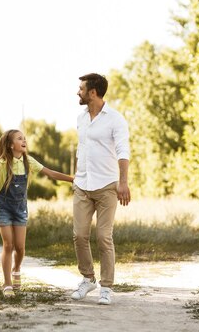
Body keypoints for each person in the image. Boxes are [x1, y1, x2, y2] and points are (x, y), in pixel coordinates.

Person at [0, 129, 73, 297]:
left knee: (20, 248)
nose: (24, 141)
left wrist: (73, 179)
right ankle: (7, 283)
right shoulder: (2, 161)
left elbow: (51, 173)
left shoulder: (29, 161)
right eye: (19, 138)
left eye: (24, 138)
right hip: (3, 208)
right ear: (10, 144)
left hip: (20, 209)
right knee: (8, 245)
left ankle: (16, 268)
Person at [70, 73, 130, 305]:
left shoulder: (115, 119)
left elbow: (123, 151)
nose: (78, 92)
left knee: (104, 237)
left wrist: (123, 182)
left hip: (107, 186)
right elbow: (80, 149)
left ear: (92, 92)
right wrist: (77, 176)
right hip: (83, 185)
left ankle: (106, 287)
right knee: (79, 235)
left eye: (81, 89)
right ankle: (87, 279)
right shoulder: (81, 118)